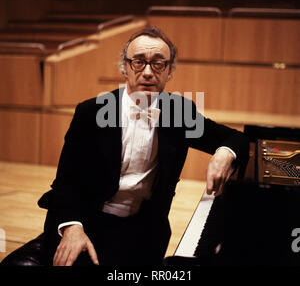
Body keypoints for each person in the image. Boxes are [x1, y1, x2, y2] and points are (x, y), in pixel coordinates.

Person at [1, 26, 249, 266]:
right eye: (138, 61)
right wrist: (72, 228)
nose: (148, 72)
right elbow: (66, 183)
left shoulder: (180, 112)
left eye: (158, 63)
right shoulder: (91, 112)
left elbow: (236, 138)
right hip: (89, 222)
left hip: (144, 231)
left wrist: (223, 153)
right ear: (125, 67)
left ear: (169, 71)